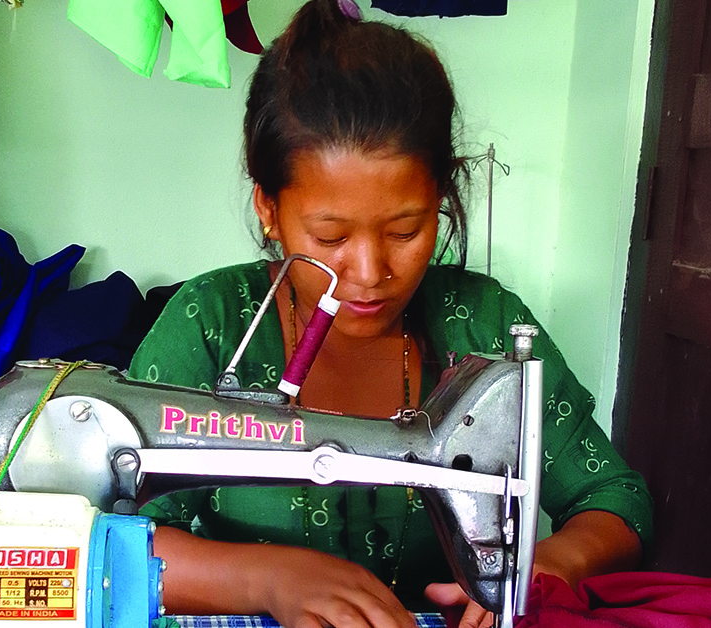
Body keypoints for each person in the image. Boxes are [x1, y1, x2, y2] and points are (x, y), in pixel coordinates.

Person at [128, 2, 654, 628]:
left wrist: (548, 566)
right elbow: (98, 535)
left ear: (441, 198)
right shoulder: (209, 325)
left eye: (407, 229)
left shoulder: (482, 324)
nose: (371, 272)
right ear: (269, 206)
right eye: (329, 238)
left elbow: (616, 500)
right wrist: (266, 579)